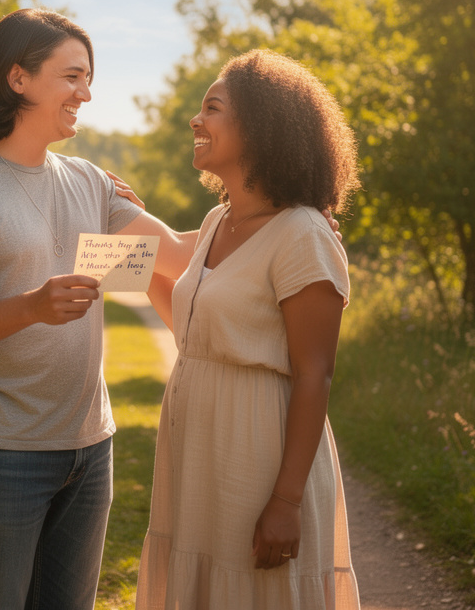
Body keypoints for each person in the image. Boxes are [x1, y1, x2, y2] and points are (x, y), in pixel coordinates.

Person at [0, 8, 195, 609]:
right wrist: (31, 306)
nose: (86, 93)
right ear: (18, 78)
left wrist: (288, 212)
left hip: (89, 449)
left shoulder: (91, 183)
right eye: (72, 77)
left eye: (88, 79)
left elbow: (182, 256)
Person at [135, 49, 362, 609]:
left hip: (258, 450)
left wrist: (286, 501)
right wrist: (115, 217)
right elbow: (198, 338)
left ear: (259, 127)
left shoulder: (304, 233)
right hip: (199, 450)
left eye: (212, 108)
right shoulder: (217, 221)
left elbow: (314, 374)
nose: (195, 119)